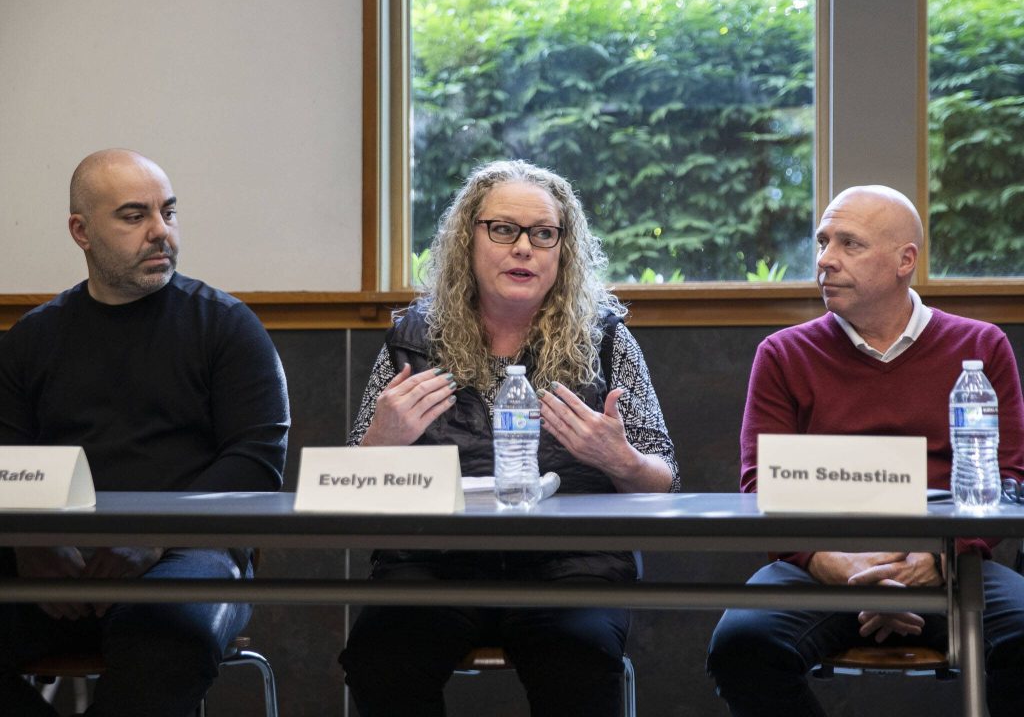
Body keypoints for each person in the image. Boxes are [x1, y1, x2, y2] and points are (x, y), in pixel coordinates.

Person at [339, 159, 679, 716]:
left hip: (572, 566)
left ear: (563, 250)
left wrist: (620, 460)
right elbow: (351, 486)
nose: (524, 248)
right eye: (503, 229)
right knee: (382, 658)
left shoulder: (607, 340)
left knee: (578, 658)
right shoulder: (412, 341)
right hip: (434, 563)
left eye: (543, 234)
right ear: (466, 241)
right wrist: (379, 442)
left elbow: (664, 481)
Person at [706, 185, 1024, 716]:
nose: (825, 260)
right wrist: (830, 563)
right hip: (819, 563)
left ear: (906, 261)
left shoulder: (980, 347)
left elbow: (1009, 476)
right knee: (742, 646)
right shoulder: (783, 354)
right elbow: (760, 487)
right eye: (822, 241)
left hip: (950, 561)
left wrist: (939, 561)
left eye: (849, 244)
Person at [0, 148, 290, 717]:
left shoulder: (227, 326)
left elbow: (256, 463)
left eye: (170, 213)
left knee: (165, 640)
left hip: (188, 549)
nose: (162, 233)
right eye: (134, 216)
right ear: (81, 231)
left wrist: (157, 533)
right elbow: (6, 460)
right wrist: (27, 542)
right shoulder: (31, 340)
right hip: (57, 555)